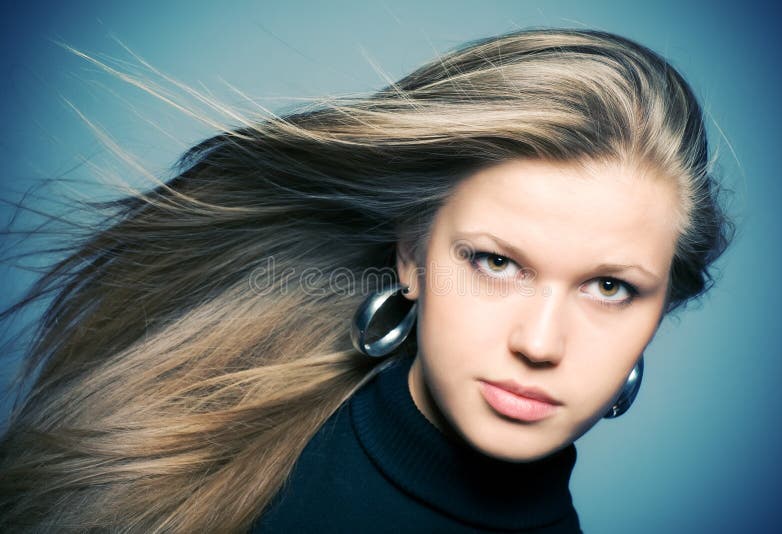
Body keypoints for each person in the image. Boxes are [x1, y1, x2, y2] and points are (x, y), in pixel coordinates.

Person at [0, 27, 734, 532]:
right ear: (411, 257)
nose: (540, 343)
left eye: (609, 287)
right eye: (496, 263)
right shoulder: (223, 470)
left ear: (663, 304)